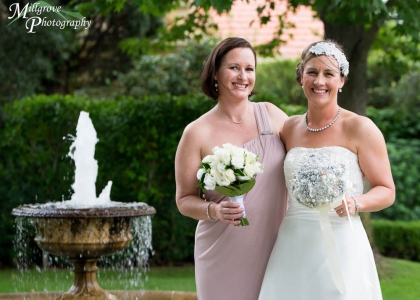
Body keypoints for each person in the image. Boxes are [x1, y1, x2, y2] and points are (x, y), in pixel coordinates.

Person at [259, 40, 395, 299]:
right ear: (301, 77)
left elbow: (387, 190)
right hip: (293, 244)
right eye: (312, 72)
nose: (319, 81)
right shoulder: (289, 129)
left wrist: (356, 203)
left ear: (341, 80)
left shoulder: (361, 128)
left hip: (342, 242)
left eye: (328, 73)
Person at [175, 37, 288, 300]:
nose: (243, 76)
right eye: (234, 67)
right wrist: (214, 210)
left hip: (278, 245)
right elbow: (184, 200)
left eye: (249, 69)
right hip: (222, 249)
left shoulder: (271, 116)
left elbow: (305, 154)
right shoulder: (196, 132)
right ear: (215, 73)